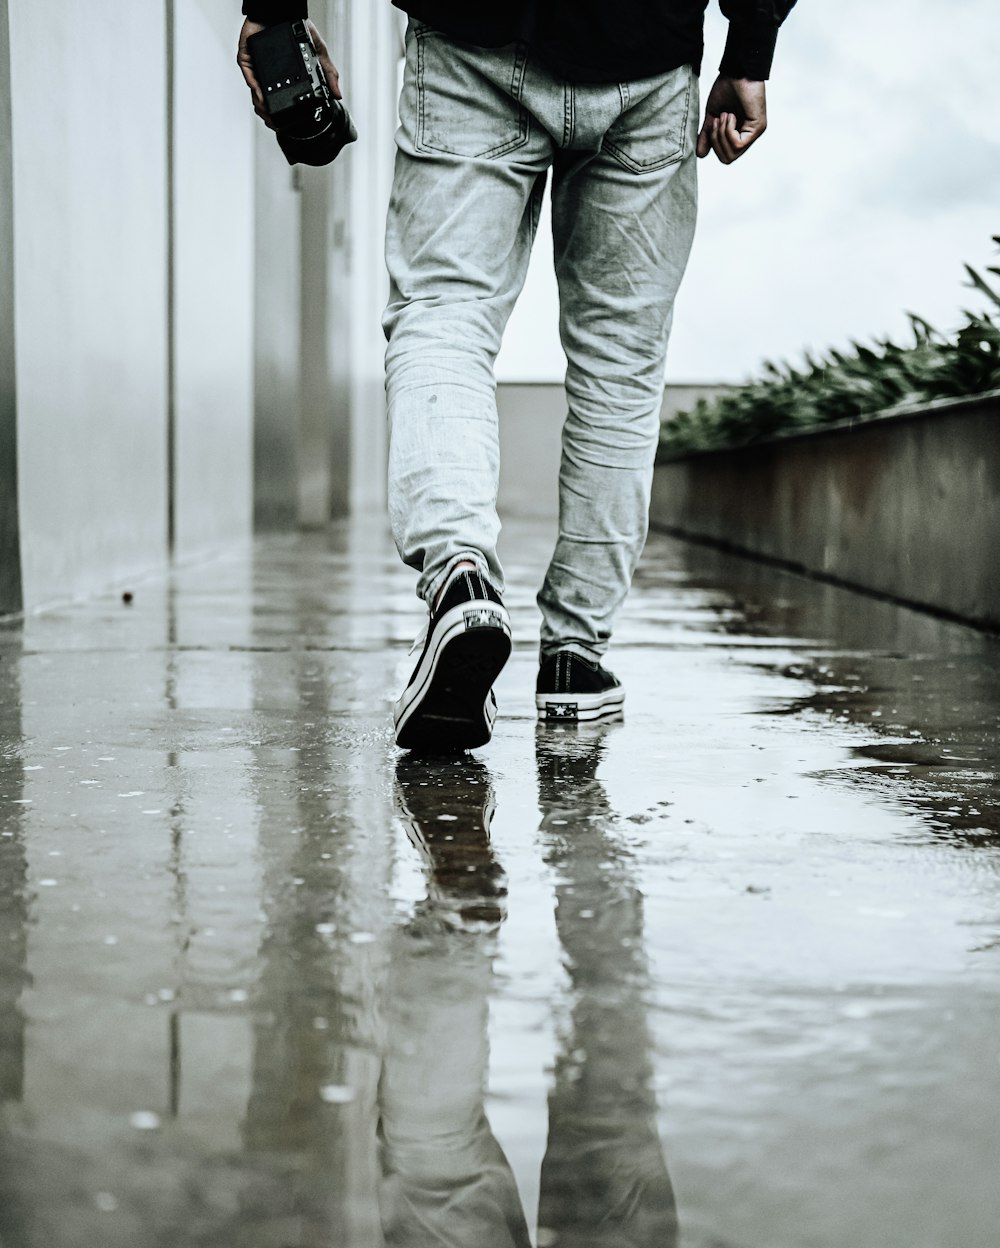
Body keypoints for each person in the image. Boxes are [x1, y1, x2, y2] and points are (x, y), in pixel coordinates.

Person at [238, 1, 797, 752]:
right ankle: (575, 659)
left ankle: (459, 577)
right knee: (620, 367)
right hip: (649, 52)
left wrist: (274, 10)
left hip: (474, 33)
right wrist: (750, 51)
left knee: (445, 311)